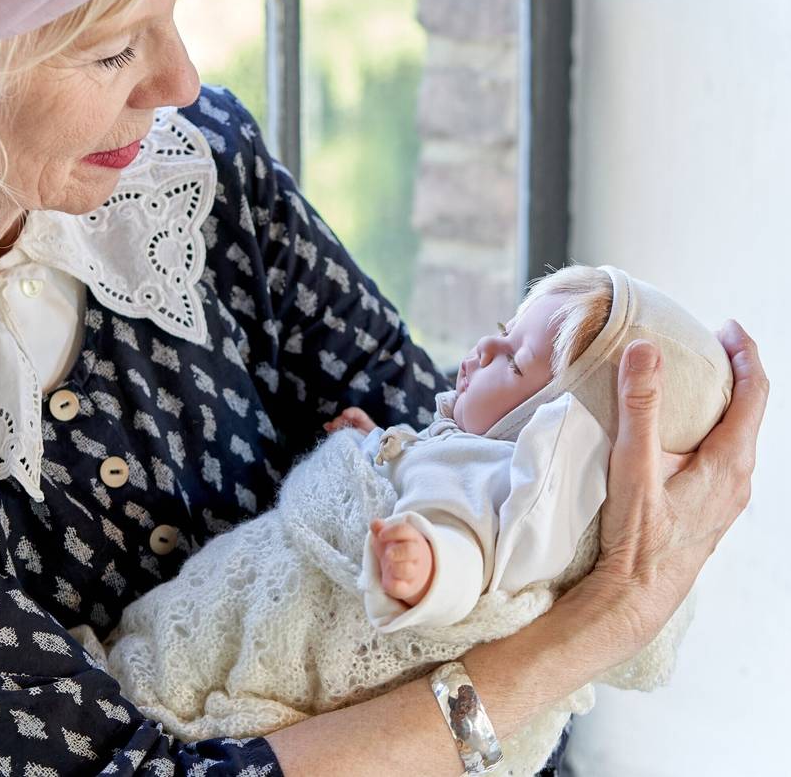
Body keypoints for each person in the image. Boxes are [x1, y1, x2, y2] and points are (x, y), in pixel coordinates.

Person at [0, 0, 768, 775]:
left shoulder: (197, 172)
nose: (181, 82)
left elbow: (462, 453)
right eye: (115, 53)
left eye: (175, 11)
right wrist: (600, 626)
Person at [80, 264, 731, 776]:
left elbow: (466, 549)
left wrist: (424, 566)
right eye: (504, 328)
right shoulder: (461, 450)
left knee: (189, 655)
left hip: (294, 654)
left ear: (556, 440)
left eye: (514, 361)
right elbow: (414, 470)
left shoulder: (495, 491)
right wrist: (373, 455)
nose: (485, 347)